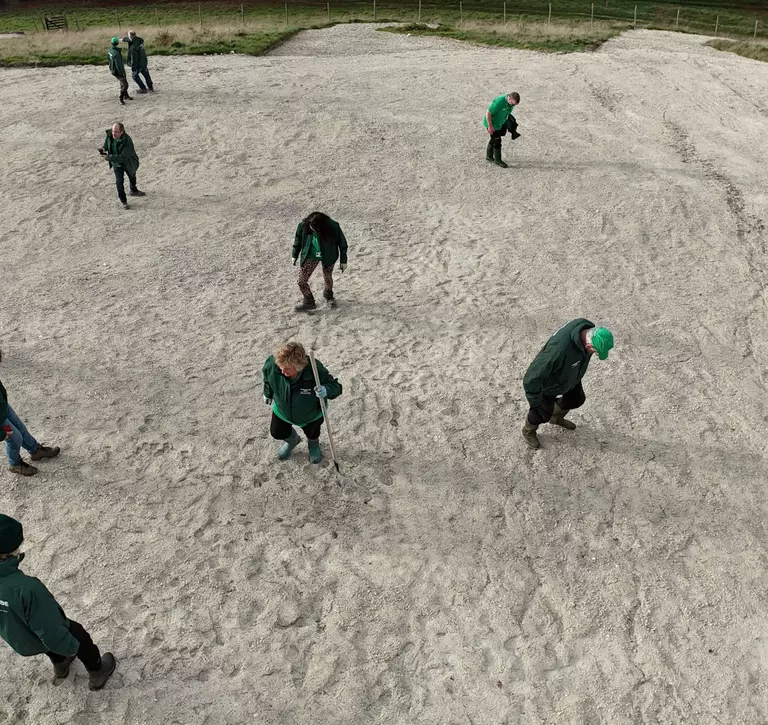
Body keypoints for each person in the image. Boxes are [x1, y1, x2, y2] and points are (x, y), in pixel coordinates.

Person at [0, 514, 116, 690]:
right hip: (49, 635)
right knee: (80, 638)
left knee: (42, 641)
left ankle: (61, 665)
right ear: (8, 553)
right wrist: (69, 646)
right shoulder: (27, 588)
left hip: (20, 638)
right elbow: (50, 629)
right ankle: (97, 672)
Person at [522, 319, 614, 450]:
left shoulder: (587, 330)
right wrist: (535, 401)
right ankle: (528, 431)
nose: (595, 354)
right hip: (549, 386)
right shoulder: (557, 351)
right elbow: (531, 379)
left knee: (576, 399)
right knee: (541, 413)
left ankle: (555, 417)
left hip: (570, 377)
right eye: (596, 352)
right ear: (588, 346)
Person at [262, 342, 342, 464]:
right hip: (282, 410)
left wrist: (326, 390)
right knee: (277, 432)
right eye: (280, 367)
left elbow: (336, 387)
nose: (283, 371)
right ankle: (292, 440)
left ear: (299, 366)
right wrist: (267, 393)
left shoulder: (314, 369)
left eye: (288, 368)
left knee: (313, 432)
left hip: (311, 413)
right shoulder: (272, 364)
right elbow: (268, 379)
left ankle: (313, 444)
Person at [1, 349, 60, 477]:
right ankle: (14, 464)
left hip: (3, 408)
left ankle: (35, 450)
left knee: (20, 427)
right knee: (14, 438)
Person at [292, 212, 348, 312]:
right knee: (301, 281)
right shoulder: (302, 225)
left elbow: (342, 243)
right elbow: (298, 239)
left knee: (327, 277)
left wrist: (343, 260)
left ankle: (328, 295)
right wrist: (294, 255)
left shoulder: (333, 226)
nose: (315, 232)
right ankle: (309, 302)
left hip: (328, 255)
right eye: (313, 230)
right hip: (311, 255)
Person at [99, 122, 145, 210]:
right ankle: (124, 201)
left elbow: (123, 157)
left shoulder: (127, 141)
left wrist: (108, 157)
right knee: (119, 182)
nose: (113, 134)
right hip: (117, 164)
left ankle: (133, 190)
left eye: (116, 132)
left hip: (128, 162)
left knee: (132, 176)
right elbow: (107, 143)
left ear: (122, 132)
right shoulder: (110, 135)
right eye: (113, 131)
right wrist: (104, 148)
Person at [483, 91, 520, 168]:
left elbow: (507, 113)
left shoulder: (511, 103)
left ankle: (489, 156)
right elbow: (488, 113)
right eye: (513, 104)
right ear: (509, 98)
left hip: (500, 123)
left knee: (494, 139)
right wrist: (490, 126)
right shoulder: (499, 102)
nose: (513, 106)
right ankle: (498, 160)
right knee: (497, 141)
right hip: (492, 124)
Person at [107, 37, 132, 106]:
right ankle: (121, 98)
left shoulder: (110, 51)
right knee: (125, 84)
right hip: (118, 71)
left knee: (122, 82)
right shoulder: (116, 53)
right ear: (117, 43)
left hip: (113, 69)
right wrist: (121, 73)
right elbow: (119, 65)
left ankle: (126, 96)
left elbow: (109, 59)